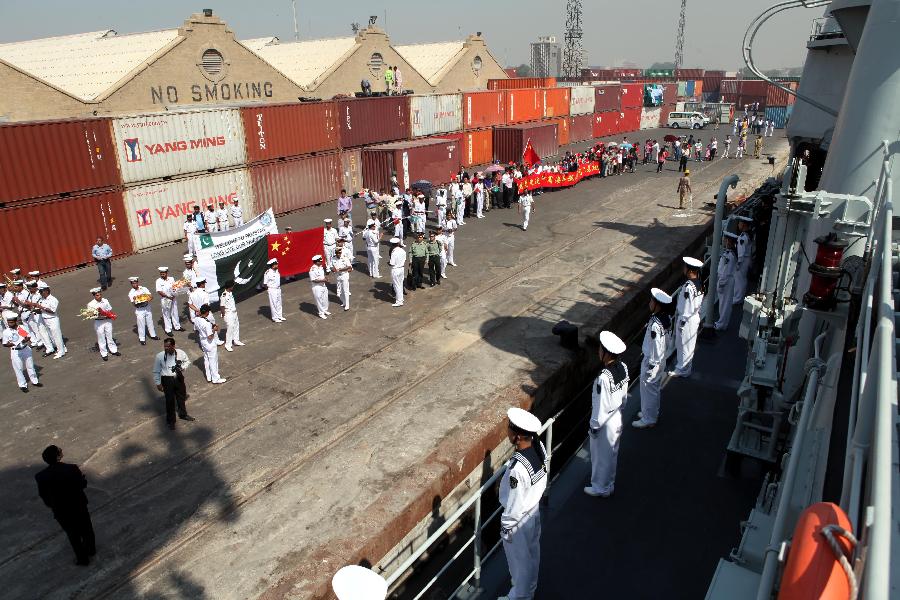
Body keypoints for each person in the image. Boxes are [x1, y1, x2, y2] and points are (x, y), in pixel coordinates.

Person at [499, 407, 547, 600]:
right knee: (532, 554)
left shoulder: (518, 469)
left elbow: (515, 504)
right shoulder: (539, 447)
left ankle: (519, 596)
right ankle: (529, 588)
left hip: (518, 522)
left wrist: (507, 528)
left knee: (520, 561)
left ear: (517, 437)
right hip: (533, 512)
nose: (507, 432)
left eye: (510, 429)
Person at [585, 331, 629, 498]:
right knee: (612, 454)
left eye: (600, 349)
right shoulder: (623, 368)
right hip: (617, 416)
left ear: (606, 353)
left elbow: (600, 406)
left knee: (600, 456)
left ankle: (599, 487)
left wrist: (594, 427)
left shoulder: (603, 378)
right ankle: (609, 483)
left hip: (606, 422)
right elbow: (624, 397)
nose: (598, 352)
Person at [34, 446, 95, 565]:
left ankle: (82, 559)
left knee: (73, 535)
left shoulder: (40, 476)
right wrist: (82, 480)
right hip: (79, 506)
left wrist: (52, 505)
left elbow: (44, 495)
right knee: (86, 530)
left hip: (61, 511)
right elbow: (82, 484)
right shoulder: (72, 468)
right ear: (58, 456)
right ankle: (91, 550)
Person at [633, 288, 672, 429]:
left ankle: (649, 419)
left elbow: (656, 345)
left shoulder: (656, 324)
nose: (649, 303)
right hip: (660, 359)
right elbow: (666, 341)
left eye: (652, 301)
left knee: (649, 389)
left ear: (657, 304)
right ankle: (648, 413)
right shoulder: (666, 318)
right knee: (650, 390)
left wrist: (652, 366)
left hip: (652, 361)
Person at [670, 257, 704, 377]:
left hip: (687, 319)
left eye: (685, 267)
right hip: (694, 317)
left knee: (683, 344)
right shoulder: (699, 283)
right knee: (689, 345)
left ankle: (681, 369)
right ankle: (686, 368)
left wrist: (682, 322)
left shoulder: (689, 287)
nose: (683, 269)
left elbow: (686, 307)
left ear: (689, 270)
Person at [152, 337, 194, 429]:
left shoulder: (180, 353)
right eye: (165, 346)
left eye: (168, 346)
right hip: (167, 380)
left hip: (178, 378)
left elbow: (187, 361)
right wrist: (158, 383)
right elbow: (156, 370)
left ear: (173, 346)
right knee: (169, 401)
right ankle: (171, 421)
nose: (166, 348)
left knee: (181, 397)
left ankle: (183, 414)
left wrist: (182, 367)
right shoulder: (159, 356)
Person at [3, 310, 41, 391]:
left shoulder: (21, 328)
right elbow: (4, 344)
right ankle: (22, 385)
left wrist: (25, 340)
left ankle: (35, 381)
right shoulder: (6, 332)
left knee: (30, 366)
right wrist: (12, 344)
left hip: (25, 349)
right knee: (18, 369)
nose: (10, 324)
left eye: (11, 322)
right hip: (15, 351)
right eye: (9, 322)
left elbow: (28, 336)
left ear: (15, 321)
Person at [88, 287, 120, 361]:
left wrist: (112, 315)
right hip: (99, 322)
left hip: (107, 321)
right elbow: (90, 315)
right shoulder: (91, 304)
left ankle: (113, 350)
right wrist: (97, 313)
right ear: (94, 295)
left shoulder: (105, 301)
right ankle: (104, 353)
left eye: (100, 295)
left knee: (109, 336)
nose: (99, 296)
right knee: (101, 338)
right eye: (97, 295)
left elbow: (109, 310)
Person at [196, 304, 225, 384]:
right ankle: (215, 378)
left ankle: (209, 377)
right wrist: (214, 330)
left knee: (206, 359)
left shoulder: (196, 319)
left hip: (202, 341)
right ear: (207, 312)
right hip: (209, 343)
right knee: (213, 360)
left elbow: (196, 329)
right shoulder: (206, 323)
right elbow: (210, 336)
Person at [36, 282, 65, 359]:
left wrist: (41, 307)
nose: (40, 293)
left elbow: (52, 311)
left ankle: (61, 351)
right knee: (52, 336)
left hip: (52, 319)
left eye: (41, 291)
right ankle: (60, 349)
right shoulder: (42, 299)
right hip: (45, 319)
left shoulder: (53, 299)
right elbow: (41, 310)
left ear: (46, 291)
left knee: (57, 336)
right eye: (39, 291)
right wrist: (36, 309)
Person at [715, 233, 738, 330]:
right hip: (727, 279)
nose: (724, 241)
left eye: (725, 240)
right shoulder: (729, 253)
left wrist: (721, 283)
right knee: (724, 303)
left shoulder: (729, 255)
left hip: (726, 280)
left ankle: (721, 324)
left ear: (728, 241)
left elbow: (726, 271)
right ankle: (722, 322)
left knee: (724, 304)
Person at [126, 276, 158, 345]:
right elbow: (133, 303)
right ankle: (142, 339)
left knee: (150, 322)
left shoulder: (144, 288)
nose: (134, 284)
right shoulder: (131, 293)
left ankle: (153, 335)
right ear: (131, 284)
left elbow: (151, 296)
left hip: (147, 307)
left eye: (135, 283)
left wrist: (148, 299)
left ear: (137, 282)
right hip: (139, 310)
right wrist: (139, 302)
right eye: (133, 283)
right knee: (141, 324)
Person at [155, 267, 183, 335]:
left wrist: (174, 294)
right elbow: (159, 291)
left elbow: (175, 287)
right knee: (166, 314)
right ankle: (168, 330)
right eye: (161, 273)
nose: (162, 275)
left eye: (163, 273)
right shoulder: (158, 281)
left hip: (173, 298)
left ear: (166, 273)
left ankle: (177, 327)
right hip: (165, 299)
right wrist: (168, 296)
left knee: (175, 312)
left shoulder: (171, 279)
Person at [732, 217, 753, 304]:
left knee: (739, 279)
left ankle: (738, 298)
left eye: (740, 223)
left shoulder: (742, 237)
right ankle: (739, 297)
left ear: (743, 225)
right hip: (747, 259)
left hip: (743, 260)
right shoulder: (748, 235)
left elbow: (741, 252)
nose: (738, 225)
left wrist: (738, 263)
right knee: (742, 279)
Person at [219, 280, 243, 351]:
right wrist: (223, 314)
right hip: (228, 313)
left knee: (236, 326)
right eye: (232, 285)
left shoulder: (230, 293)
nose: (233, 286)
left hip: (234, 312)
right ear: (230, 287)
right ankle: (228, 345)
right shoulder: (224, 295)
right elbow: (222, 306)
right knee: (230, 328)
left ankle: (236, 340)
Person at [262, 258, 284, 322]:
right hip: (272, 290)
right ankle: (275, 318)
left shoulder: (276, 270)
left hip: (278, 289)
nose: (277, 265)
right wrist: (269, 290)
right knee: (273, 304)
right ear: (273, 265)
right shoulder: (267, 273)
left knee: (279, 303)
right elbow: (265, 283)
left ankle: (280, 316)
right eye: (276, 264)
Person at [389, 237, 406, 307]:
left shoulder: (394, 252)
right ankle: (401, 299)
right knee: (401, 284)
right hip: (401, 268)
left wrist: (389, 263)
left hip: (395, 269)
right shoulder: (403, 251)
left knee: (396, 285)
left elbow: (392, 263)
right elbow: (404, 259)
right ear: (398, 243)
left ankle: (399, 301)